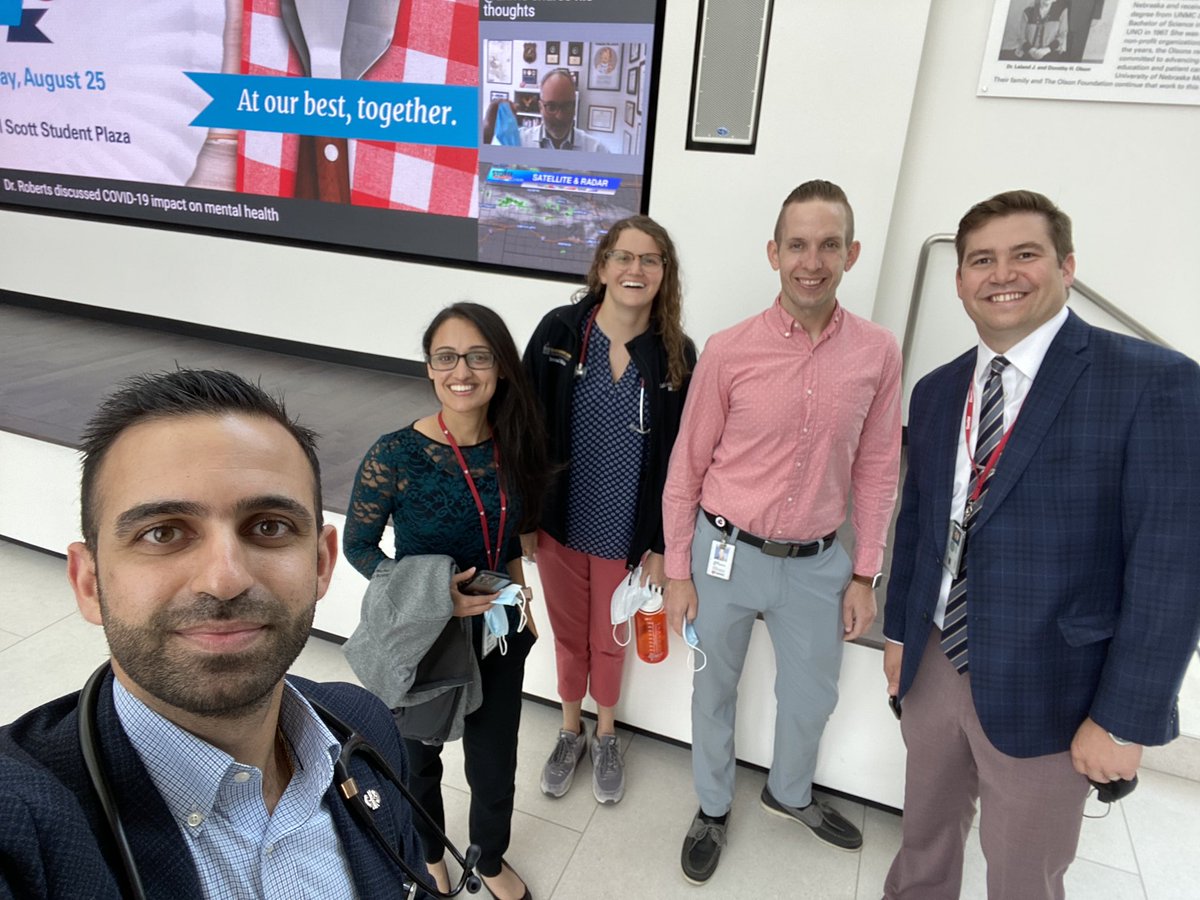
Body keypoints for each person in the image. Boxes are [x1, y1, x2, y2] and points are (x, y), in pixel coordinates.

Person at [0, 368, 428, 899]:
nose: (224, 580)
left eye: (268, 526)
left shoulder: (367, 727)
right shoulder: (20, 817)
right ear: (89, 583)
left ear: (321, 564)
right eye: (163, 533)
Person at [881, 189, 1200, 900]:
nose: (1002, 274)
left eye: (1025, 255)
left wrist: (1123, 717)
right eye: (981, 260)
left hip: (1054, 686)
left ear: (1067, 266)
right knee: (924, 834)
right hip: (935, 658)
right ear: (960, 280)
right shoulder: (936, 391)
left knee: (1024, 871)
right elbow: (921, 523)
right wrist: (900, 635)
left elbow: (1172, 568)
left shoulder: (1152, 383)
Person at [662, 180, 902, 884]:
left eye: (829, 244)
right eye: (797, 244)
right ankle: (712, 806)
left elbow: (880, 466)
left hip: (820, 565)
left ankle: (788, 792)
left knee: (812, 696)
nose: (812, 260)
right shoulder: (729, 350)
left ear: (852, 253)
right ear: (773, 252)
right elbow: (688, 466)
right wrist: (679, 569)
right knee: (714, 690)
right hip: (723, 552)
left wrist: (866, 574)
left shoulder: (877, 353)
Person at [344, 303, 546, 900]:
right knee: (417, 759)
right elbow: (358, 545)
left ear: (501, 368)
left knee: (494, 760)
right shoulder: (396, 454)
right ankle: (429, 853)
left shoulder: (514, 447)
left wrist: (521, 599)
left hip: (498, 629)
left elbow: (507, 538)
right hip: (423, 634)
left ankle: (488, 859)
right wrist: (431, 597)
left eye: (479, 356)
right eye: (447, 356)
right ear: (431, 368)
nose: (463, 370)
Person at [522, 214, 696, 805]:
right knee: (571, 636)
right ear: (602, 266)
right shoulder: (559, 332)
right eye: (624, 257)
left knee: (611, 638)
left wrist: (665, 545)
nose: (635, 269)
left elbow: (683, 458)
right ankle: (570, 729)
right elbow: (522, 427)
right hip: (561, 525)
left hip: (630, 534)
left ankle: (607, 734)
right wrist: (523, 518)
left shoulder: (676, 353)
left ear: (663, 274)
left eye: (650, 260)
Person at [484, 69, 610, 152]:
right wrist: (487, 132)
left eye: (566, 106)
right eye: (551, 107)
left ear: (575, 107)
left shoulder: (596, 150)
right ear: (540, 107)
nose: (560, 116)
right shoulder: (518, 143)